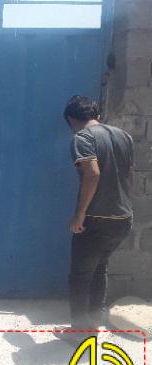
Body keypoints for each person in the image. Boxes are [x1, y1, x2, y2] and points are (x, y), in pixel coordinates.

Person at [54, 95, 134, 343]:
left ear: (71, 119)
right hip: (123, 218)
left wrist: (79, 215)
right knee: (100, 269)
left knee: (80, 277)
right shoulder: (124, 136)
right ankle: (93, 327)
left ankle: (79, 334)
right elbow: (129, 174)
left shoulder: (83, 138)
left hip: (97, 219)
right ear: (96, 115)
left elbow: (92, 174)